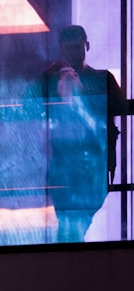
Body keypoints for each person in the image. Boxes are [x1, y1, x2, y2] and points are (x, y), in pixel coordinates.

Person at [28, 25, 126, 243]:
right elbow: (29, 100)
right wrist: (53, 72)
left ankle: (70, 251)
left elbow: (121, 107)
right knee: (72, 219)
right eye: (68, 48)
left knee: (75, 219)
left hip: (92, 161)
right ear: (62, 50)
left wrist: (82, 92)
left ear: (86, 46)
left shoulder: (102, 78)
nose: (73, 52)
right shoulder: (53, 80)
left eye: (77, 47)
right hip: (68, 163)